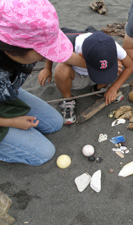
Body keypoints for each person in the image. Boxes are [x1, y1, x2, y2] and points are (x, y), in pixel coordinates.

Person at [0, 0, 84, 166]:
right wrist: (10, 122)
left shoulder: (21, 48)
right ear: (12, 50)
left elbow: (64, 55)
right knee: (43, 153)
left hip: (8, 94)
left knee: (55, 123)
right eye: (43, 52)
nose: (47, 57)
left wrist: (98, 66)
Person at [39, 31, 133, 125]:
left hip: (97, 75)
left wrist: (114, 87)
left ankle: (99, 88)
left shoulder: (112, 46)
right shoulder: (70, 44)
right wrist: (47, 68)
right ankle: (68, 99)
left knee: (118, 65)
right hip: (77, 76)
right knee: (61, 69)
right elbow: (52, 49)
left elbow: (130, 66)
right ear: (81, 55)